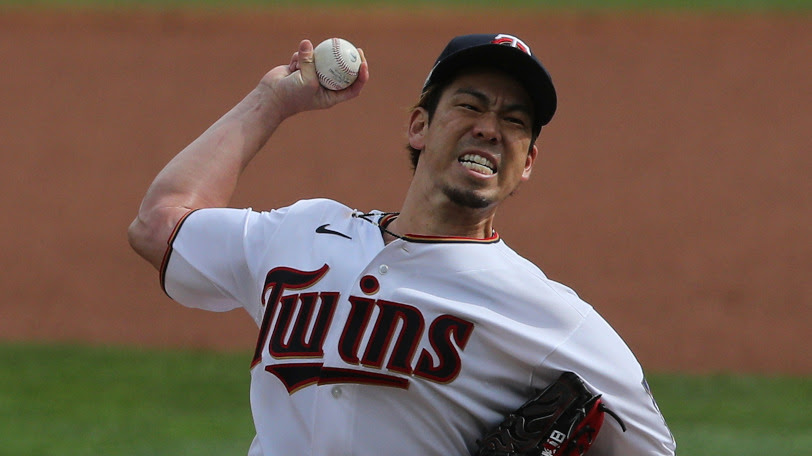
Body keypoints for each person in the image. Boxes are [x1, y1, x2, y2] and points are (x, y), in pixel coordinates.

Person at [129, 33, 676, 455]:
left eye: (514, 121)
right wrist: (272, 100)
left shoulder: (549, 316)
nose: (490, 128)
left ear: (526, 163)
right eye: (470, 106)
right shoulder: (301, 232)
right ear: (420, 126)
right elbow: (160, 225)